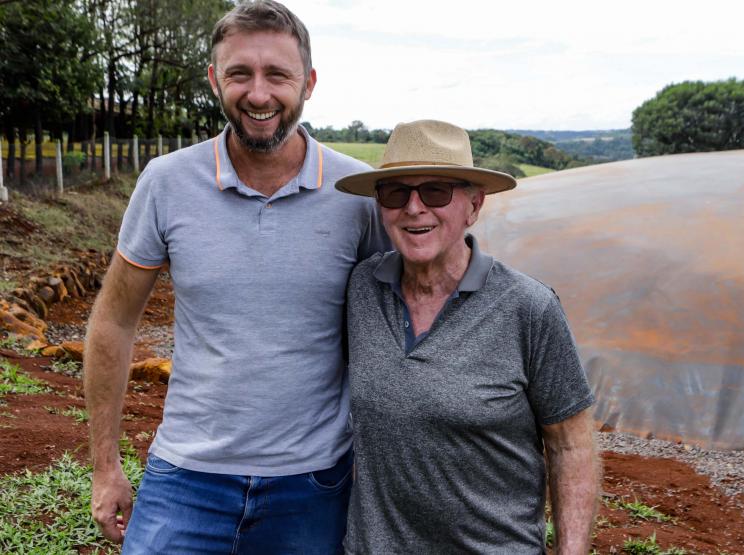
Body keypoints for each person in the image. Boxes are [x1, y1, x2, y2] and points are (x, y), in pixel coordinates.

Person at [83, 1, 387, 552]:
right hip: (186, 477)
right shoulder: (167, 182)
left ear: (310, 83)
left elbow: (397, 326)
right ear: (214, 80)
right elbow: (114, 321)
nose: (259, 94)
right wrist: (106, 466)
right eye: (239, 73)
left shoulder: (358, 193)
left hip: (315, 483)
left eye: (278, 74)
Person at [335, 119, 599, 554]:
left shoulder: (528, 308)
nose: (414, 208)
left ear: (473, 206)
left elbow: (570, 445)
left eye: (436, 191)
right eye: (396, 192)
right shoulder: (362, 288)